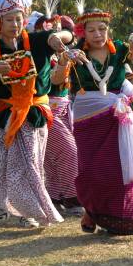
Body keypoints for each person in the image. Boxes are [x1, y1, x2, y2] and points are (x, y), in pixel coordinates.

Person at [0, 0, 78, 228]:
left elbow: (70, 35)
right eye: (9, 20)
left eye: (19, 19)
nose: (15, 24)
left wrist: (57, 38)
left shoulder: (37, 41)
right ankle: (3, 206)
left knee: (29, 164)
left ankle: (28, 212)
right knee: (3, 167)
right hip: (4, 115)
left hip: (33, 115)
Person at [70, 12, 133, 235]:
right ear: (83, 32)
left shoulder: (120, 50)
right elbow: (57, 80)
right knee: (90, 170)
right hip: (87, 120)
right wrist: (63, 61)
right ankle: (91, 210)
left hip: (116, 117)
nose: (98, 34)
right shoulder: (76, 55)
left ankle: (120, 218)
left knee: (118, 169)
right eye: (91, 30)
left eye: (102, 29)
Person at [42, 16, 83, 217]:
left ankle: (55, 197)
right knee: (69, 151)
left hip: (64, 108)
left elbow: (68, 36)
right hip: (46, 109)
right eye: (52, 30)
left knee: (53, 157)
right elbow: (54, 79)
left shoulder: (65, 50)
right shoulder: (42, 53)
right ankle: (73, 198)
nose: (58, 36)